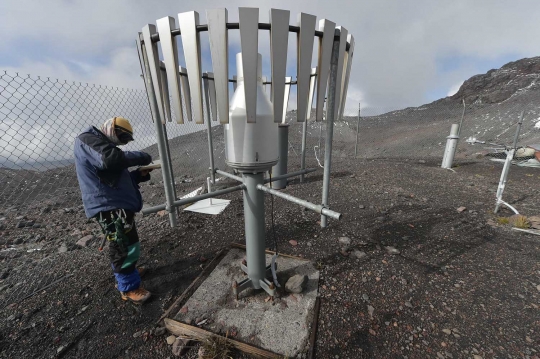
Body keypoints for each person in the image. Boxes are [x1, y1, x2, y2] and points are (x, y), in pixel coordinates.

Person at [74, 117, 154, 304]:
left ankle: (129, 271)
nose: (123, 142)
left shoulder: (101, 145)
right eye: (123, 137)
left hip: (114, 203)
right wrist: (142, 156)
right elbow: (112, 160)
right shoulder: (88, 139)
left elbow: (112, 178)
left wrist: (136, 176)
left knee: (127, 242)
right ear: (112, 129)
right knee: (123, 245)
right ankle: (128, 287)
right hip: (108, 205)